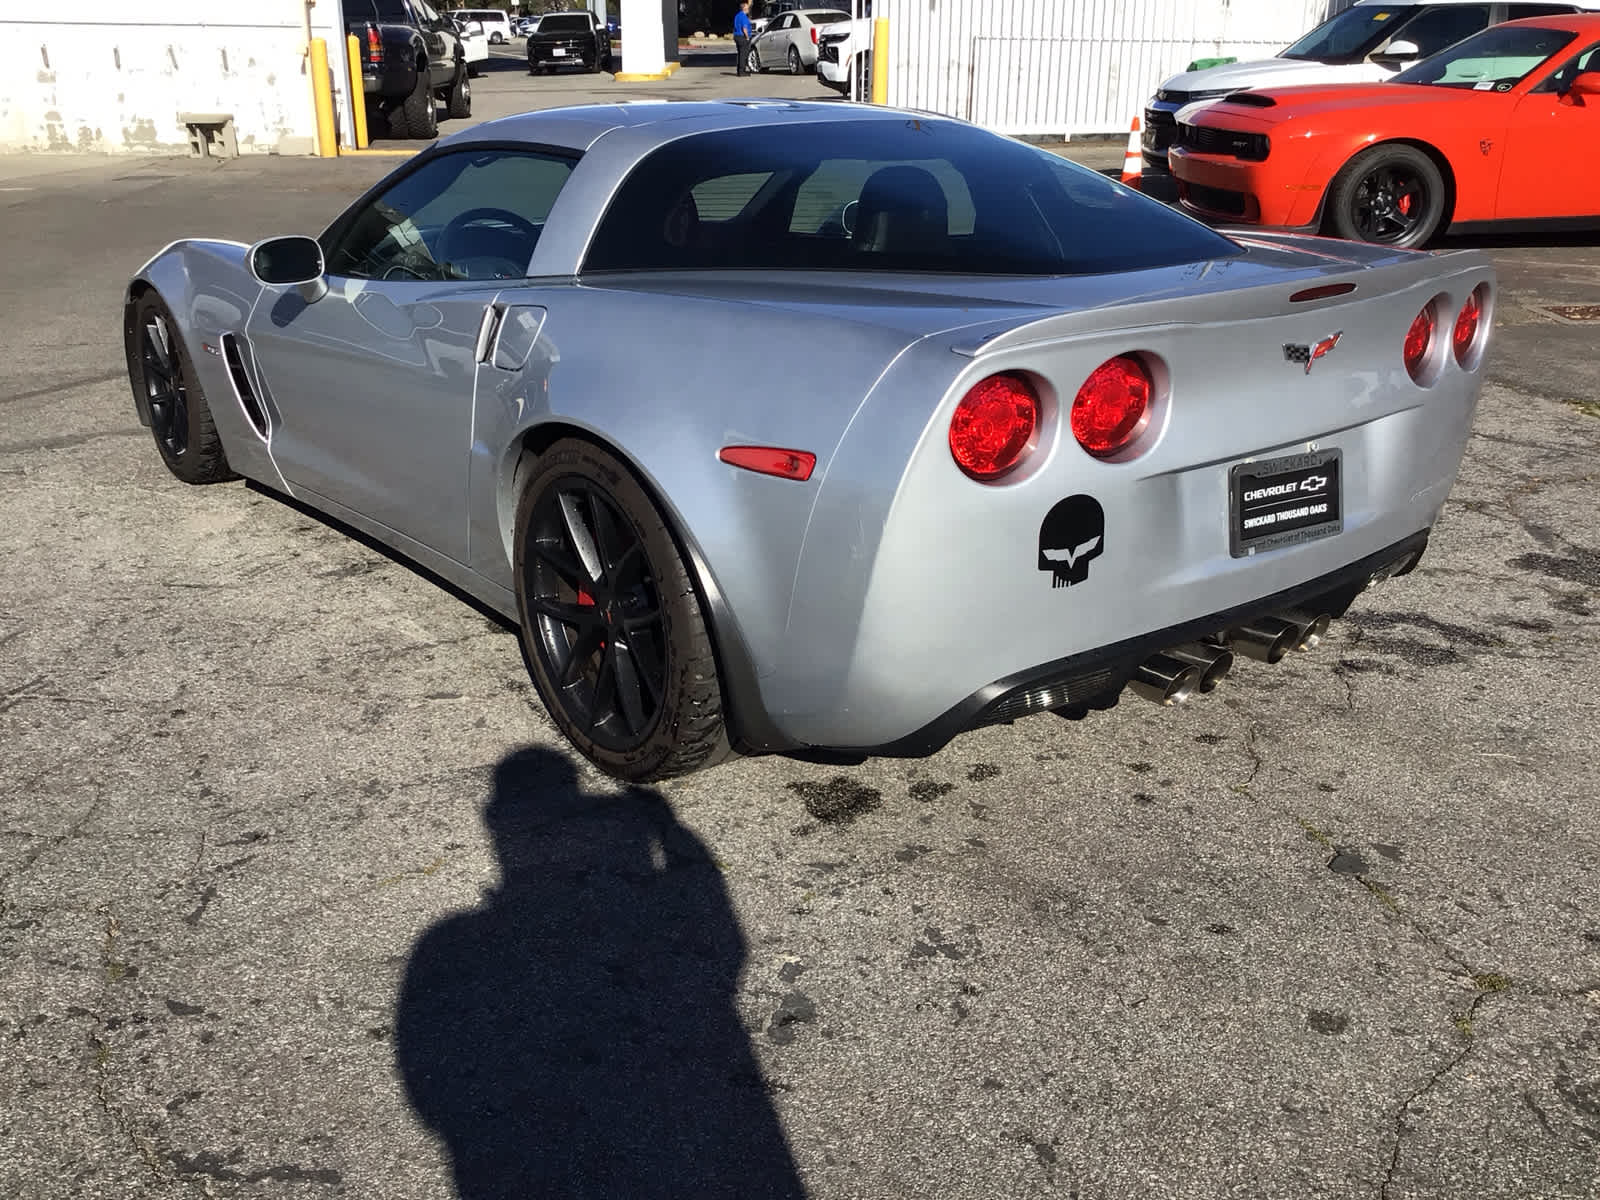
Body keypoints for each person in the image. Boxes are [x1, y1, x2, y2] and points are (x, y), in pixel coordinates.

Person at [733, 0, 754, 76]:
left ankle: (739, 70)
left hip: (736, 36)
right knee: (743, 55)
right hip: (742, 37)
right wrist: (747, 37)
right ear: (744, 9)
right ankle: (742, 71)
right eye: (747, 8)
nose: (748, 9)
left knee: (740, 54)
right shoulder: (744, 17)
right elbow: (744, 28)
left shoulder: (737, 15)